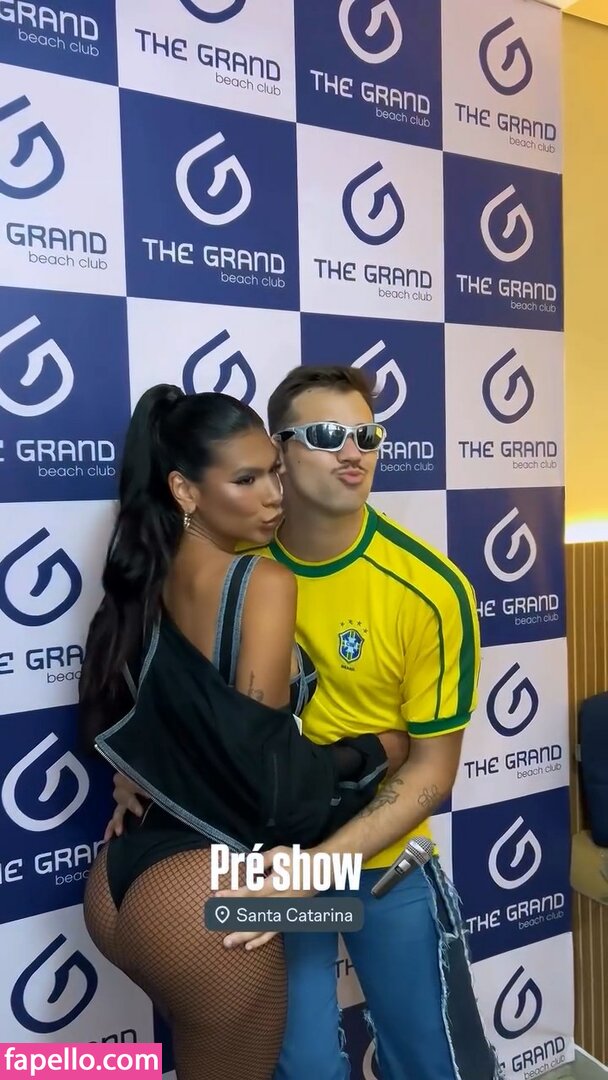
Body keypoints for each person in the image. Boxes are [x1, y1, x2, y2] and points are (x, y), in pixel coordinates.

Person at [112, 366, 500, 1080]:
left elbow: (432, 772)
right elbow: (176, 698)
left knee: (437, 1062)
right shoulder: (233, 558)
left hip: (379, 866)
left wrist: (318, 865)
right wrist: (138, 771)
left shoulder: (431, 588)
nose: (353, 452)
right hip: (264, 864)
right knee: (305, 1065)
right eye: (325, 435)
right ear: (280, 451)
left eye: (367, 436)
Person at [79, 384, 406, 1080]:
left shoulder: (141, 576)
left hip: (116, 887)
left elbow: (130, 720)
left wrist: (131, 777)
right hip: (207, 896)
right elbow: (267, 786)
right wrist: (374, 752)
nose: (274, 497)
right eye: (247, 480)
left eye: (276, 474)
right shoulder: (262, 580)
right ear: (185, 490)